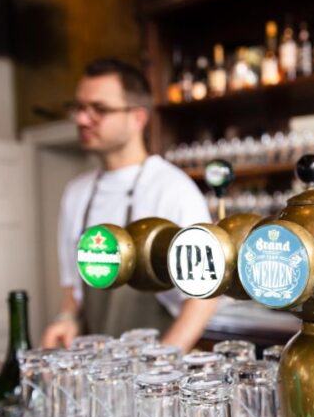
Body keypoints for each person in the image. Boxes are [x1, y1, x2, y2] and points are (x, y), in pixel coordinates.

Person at [41, 58, 218, 349]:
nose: (82, 120)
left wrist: (164, 362)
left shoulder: (173, 189)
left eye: (99, 109)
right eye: (80, 108)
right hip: (98, 366)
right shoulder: (76, 193)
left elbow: (204, 295)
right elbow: (73, 285)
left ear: (138, 118)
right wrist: (66, 319)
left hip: (154, 368)